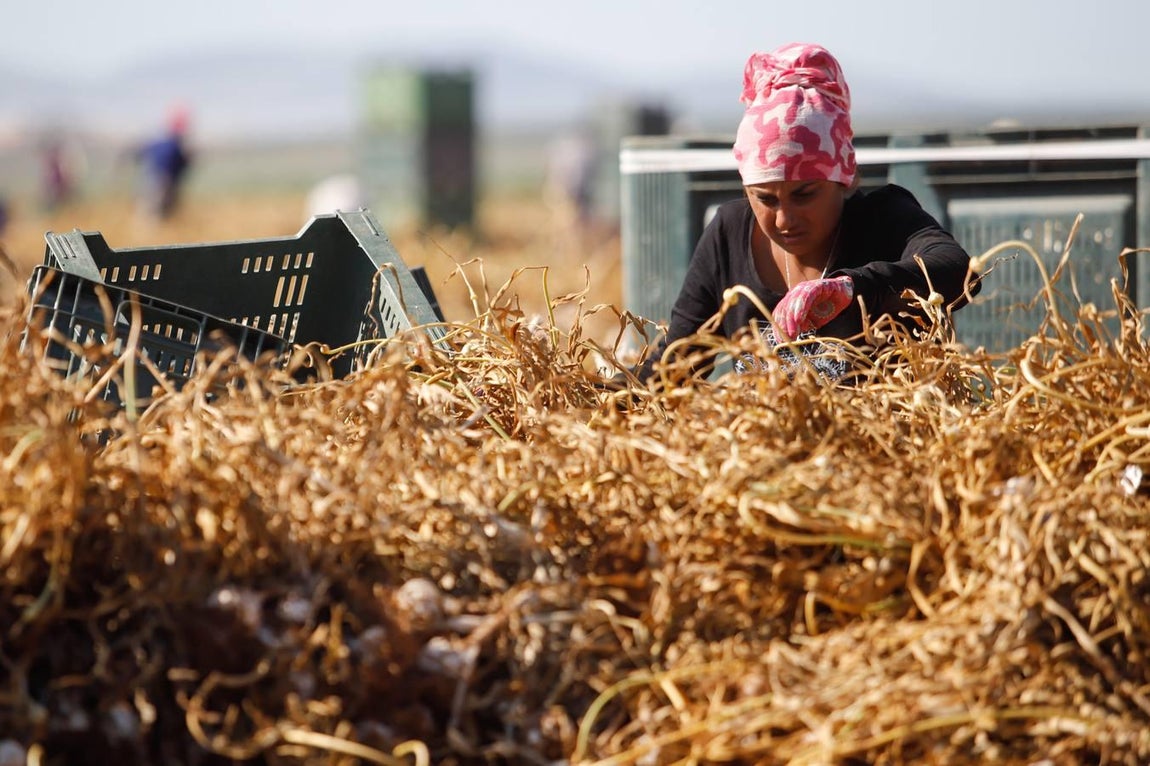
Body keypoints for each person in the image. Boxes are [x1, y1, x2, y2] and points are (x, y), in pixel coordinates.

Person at [631, 42, 977, 384]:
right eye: (765, 199)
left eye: (804, 195)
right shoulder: (729, 235)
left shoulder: (882, 220)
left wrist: (855, 288)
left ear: (843, 178)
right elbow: (669, 373)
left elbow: (959, 273)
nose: (784, 219)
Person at [136, 106, 193, 220]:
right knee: (156, 210)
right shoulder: (172, 144)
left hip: (155, 179)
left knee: (154, 209)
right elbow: (181, 164)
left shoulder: (160, 140)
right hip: (162, 180)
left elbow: (142, 154)